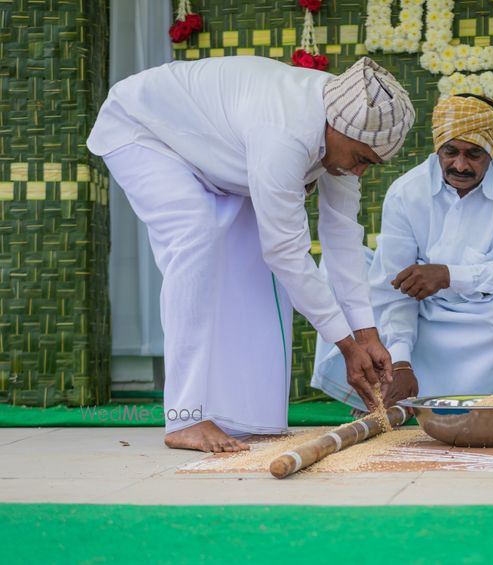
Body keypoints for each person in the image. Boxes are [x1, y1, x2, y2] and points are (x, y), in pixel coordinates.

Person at [87, 56, 415, 452]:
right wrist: (345, 345)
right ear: (334, 127)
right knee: (196, 233)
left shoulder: (344, 126)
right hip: (142, 128)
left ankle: (249, 418)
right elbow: (287, 250)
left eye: (371, 164)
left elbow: (341, 237)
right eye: (361, 159)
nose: (360, 171)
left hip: (216, 154)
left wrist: (367, 333)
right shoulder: (285, 131)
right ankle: (185, 416)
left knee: (259, 269)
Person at [311, 94, 493, 412]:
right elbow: (394, 287)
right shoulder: (407, 192)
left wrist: (448, 276)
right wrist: (400, 362)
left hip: (482, 316)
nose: (460, 165)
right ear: (437, 149)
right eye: (450, 152)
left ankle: (462, 403)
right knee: (338, 268)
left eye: (474, 154)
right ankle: (387, 389)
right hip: (417, 316)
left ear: (492, 152)